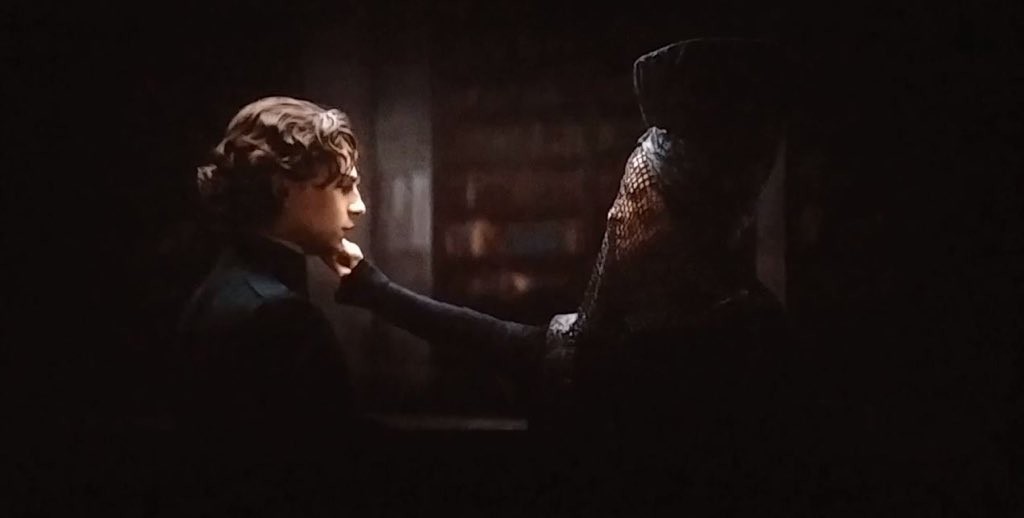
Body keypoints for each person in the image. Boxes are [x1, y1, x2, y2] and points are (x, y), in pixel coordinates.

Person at [334, 39, 806, 513]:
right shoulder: (605, 340)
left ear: (687, 226)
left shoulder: (750, 343)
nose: (618, 216)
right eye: (625, 198)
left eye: (639, 202)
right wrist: (372, 287)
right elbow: (497, 341)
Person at [171, 96, 369, 500]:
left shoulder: (218, 289)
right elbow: (334, 472)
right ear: (283, 190)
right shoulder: (284, 318)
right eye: (344, 186)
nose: (359, 206)